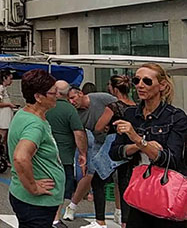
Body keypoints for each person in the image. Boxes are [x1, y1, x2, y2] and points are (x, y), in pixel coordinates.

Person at [110, 64, 187, 228]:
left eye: (147, 81)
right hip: (137, 189)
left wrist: (138, 140)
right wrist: (139, 146)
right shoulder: (131, 114)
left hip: (167, 191)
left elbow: (171, 159)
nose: (140, 85)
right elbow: (115, 152)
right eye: (136, 80)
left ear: (162, 85)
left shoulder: (175, 117)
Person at [8, 69, 65, 228]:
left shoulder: (24, 114)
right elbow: (20, 157)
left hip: (26, 198)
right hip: (36, 204)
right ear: (38, 97)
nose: (57, 96)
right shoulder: (35, 125)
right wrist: (33, 187)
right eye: (53, 93)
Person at [66, 86, 116, 225]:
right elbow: (81, 135)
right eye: (69, 99)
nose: (71, 101)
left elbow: (119, 106)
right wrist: (83, 154)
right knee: (91, 173)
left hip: (115, 139)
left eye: (73, 97)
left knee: (119, 177)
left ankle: (118, 212)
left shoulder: (100, 98)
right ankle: (72, 206)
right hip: (99, 143)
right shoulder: (76, 114)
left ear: (81, 94)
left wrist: (111, 122)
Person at [46, 80, 88, 228]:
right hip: (64, 157)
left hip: (44, 155)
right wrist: (83, 153)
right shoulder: (70, 110)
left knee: (46, 186)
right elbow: (79, 133)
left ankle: (46, 216)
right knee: (61, 188)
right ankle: (55, 218)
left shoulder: (45, 107)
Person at [95, 75, 136, 227]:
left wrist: (107, 128)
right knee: (124, 183)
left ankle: (100, 220)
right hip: (129, 146)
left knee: (98, 180)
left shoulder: (113, 106)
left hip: (113, 144)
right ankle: (125, 220)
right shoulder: (134, 106)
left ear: (114, 89)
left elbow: (98, 127)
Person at [0, 71, 18, 153]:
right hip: (1, 118)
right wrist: (9, 104)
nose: (11, 81)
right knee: (1, 138)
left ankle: (4, 156)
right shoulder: (0, 88)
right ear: (4, 78)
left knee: (4, 139)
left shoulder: (2, 89)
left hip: (4, 117)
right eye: (10, 78)